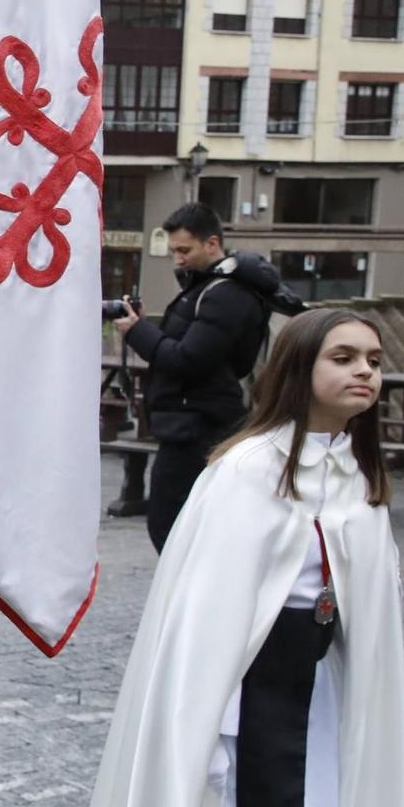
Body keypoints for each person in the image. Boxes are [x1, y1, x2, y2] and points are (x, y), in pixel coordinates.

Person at [60, 310, 404, 807]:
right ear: (300, 370)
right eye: (345, 357)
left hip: (320, 691)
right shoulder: (245, 471)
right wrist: (212, 721)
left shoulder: (359, 473)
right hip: (248, 697)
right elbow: (209, 620)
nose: (365, 371)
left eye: (375, 360)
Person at [113, 202, 281, 552]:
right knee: (176, 525)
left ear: (212, 244)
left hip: (199, 425)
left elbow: (189, 359)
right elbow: (184, 346)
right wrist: (144, 326)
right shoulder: (208, 288)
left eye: (184, 250)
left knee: (172, 525)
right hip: (189, 421)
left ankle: (193, 598)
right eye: (174, 251)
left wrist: (138, 332)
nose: (178, 259)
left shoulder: (226, 294)